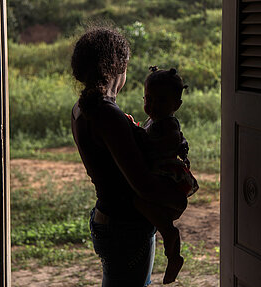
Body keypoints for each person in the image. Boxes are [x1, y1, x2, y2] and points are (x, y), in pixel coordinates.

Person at [70, 27, 187, 286]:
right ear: (119, 68)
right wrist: (178, 198)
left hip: (108, 217)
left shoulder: (82, 108)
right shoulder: (106, 113)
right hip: (125, 227)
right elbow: (143, 185)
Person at [130, 66, 199, 284]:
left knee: (140, 202)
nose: (152, 106)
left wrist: (136, 133)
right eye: (148, 99)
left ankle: (172, 242)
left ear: (176, 105)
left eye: (161, 101)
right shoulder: (155, 120)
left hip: (166, 178)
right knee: (144, 206)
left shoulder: (169, 125)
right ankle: (171, 249)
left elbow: (157, 146)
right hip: (159, 176)